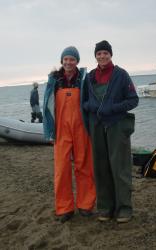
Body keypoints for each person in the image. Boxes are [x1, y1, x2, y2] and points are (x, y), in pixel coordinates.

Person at [82, 40, 139, 223]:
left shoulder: (121, 75)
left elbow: (133, 100)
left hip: (117, 125)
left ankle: (124, 208)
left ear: (110, 55)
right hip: (96, 126)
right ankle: (105, 208)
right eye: (99, 54)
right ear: (95, 56)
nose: (102, 56)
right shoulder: (89, 77)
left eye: (105, 53)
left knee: (120, 168)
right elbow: (83, 102)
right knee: (100, 168)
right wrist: (92, 105)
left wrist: (113, 107)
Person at [43, 46, 96, 223]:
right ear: (61, 61)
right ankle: (65, 208)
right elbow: (47, 108)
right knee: (61, 169)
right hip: (60, 130)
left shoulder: (83, 79)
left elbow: (90, 102)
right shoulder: (54, 80)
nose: (68, 62)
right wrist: (49, 133)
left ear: (77, 61)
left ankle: (85, 205)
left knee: (84, 166)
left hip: (81, 129)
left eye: (72, 59)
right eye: (66, 59)